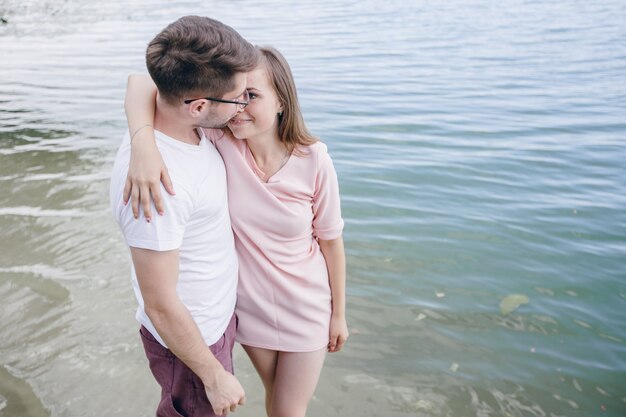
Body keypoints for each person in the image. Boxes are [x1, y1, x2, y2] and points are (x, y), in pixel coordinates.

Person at [125, 46, 349, 417]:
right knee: (274, 399)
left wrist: (338, 314)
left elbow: (331, 241)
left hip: (308, 306)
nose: (238, 108)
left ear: (282, 102)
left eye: (252, 96)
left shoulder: (314, 160)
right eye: (235, 97)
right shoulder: (219, 143)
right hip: (248, 306)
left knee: (289, 411)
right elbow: (141, 83)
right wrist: (143, 144)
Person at [109, 15, 259, 417]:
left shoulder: (162, 125)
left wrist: (142, 140)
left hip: (210, 326)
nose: (245, 104)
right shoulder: (158, 189)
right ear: (198, 106)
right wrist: (212, 375)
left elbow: (137, 81)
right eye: (240, 97)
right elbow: (159, 304)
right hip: (192, 346)